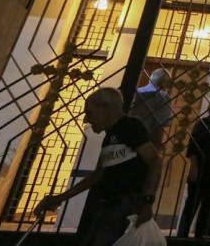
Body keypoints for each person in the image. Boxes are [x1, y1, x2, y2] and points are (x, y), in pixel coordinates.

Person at [34, 87, 162, 246]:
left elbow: (155, 161)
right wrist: (60, 198)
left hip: (126, 207)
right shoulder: (109, 137)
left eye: (89, 112)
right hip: (109, 206)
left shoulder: (131, 127)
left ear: (105, 107)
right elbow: (98, 174)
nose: (86, 120)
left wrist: (147, 202)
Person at [176, 94, 210, 238]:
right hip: (200, 168)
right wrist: (194, 167)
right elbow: (193, 147)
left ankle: (200, 236)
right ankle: (182, 235)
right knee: (191, 204)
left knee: (208, 206)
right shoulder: (202, 124)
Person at [130, 67, 172, 147]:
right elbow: (160, 124)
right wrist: (157, 146)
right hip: (146, 139)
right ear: (166, 83)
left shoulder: (136, 92)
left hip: (128, 134)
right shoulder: (163, 96)